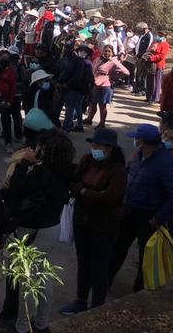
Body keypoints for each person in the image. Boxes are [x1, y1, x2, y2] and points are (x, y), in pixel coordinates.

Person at [0, 130, 73, 333]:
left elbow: (15, 187)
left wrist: (23, 164)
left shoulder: (41, 173)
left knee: (26, 282)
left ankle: (23, 327)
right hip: (52, 228)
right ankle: (41, 323)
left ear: (45, 149)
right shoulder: (65, 171)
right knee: (43, 277)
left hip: (32, 232)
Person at [108, 124, 173, 292]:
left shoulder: (165, 163)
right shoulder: (138, 156)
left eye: (137, 138)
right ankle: (105, 280)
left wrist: (159, 217)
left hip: (148, 216)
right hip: (130, 209)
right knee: (118, 247)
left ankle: (140, 289)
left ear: (143, 141)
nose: (135, 141)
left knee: (146, 255)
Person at [60, 128, 127, 315]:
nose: (94, 147)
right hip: (82, 222)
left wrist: (83, 191)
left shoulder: (117, 171)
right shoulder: (87, 161)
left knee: (99, 267)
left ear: (109, 148)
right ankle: (80, 301)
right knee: (84, 264)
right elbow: (73, 182)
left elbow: (110, 199)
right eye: (93, 144)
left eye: (98, 145)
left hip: (104, 227)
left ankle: (97, 306)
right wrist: (90, 192)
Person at [84, 45, 130, 130]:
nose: (107, 53)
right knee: (92, 103)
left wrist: (114, 77)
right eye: (105, 51)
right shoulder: (98, 59)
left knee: (102, 105)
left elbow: (126, 72)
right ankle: (89, 119)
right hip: (95, 84)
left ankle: (102, 123)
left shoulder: (114, 61)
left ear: (112, 52)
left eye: (109, 51)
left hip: (105, 86)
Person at [58, 44, 92, 133]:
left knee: (70, 108)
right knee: (77, 108)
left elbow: (79, 76)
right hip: (77, 88)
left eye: (84, 51)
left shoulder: (83, 62)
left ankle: (67, 127)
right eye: (81, 50)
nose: (82, 52)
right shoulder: (71, 60)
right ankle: (79, 125)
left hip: (75, 88)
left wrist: (68, 84)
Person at [0, 50, 19, 152]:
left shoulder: (10, 71)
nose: (5, 59)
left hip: (5, 99)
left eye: (6, 58)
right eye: (2, 57)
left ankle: (8, 143)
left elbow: (13, 87)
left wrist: (9, 100)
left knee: (6, 121)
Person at [145, 32, 170, 104]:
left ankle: (155, 98)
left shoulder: (165, 44)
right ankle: (149, 96)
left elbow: (162, 55)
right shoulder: (155, 43)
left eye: (161, 35)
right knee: (150, 81)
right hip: (151, 65)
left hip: (158, 65)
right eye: (158, 35)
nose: (158, 36)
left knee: (157, 82)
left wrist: (152, 58)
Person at [132, 23, 153, 96]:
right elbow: (138, 45)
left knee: (142, 74)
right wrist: (135, 53)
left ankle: (142, 90)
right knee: (137, 73)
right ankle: (137, 89)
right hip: (138, 57)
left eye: (140, 29)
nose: (139, 31)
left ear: (144, 29)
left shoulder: (149, 36)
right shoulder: (142, 35)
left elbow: (147, 48)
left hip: (143, 58)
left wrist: (139, 55)